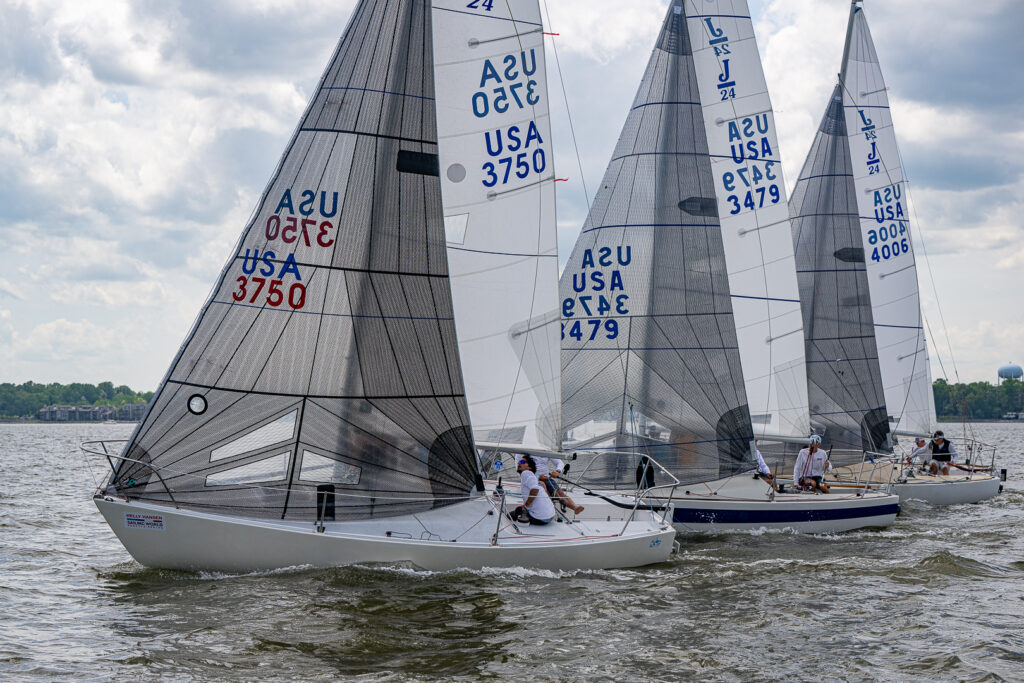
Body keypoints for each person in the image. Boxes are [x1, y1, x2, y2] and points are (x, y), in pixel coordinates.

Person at [512, 455, 556, 525]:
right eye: (519, 461)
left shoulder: (526, 473)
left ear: (530, 467)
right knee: (518, 510)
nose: (519, 463)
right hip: (550, 516)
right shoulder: (533, 477)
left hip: (539, 518)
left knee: (511, 515)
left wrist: (525, 507)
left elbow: (535, 490)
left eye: (523, 462)